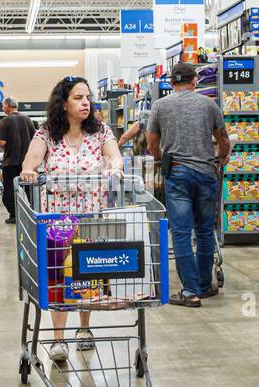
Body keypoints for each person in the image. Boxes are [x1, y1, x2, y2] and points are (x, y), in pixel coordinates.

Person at [18, 75, 124, 365]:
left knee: (85, 272)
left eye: (87, 97)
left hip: (91, 214)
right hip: (57, 219)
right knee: (56, 276)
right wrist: (29, 171)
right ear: (63, 104)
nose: (85, 102)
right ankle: (58, 338)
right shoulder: (46, 134)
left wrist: (115, 168)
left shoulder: (100, 132)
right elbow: (31, 160)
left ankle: (85, 329)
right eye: (78, 98)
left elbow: (115, 156)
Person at [145, 62, 230, 307]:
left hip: (178, 175)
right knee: (204, 231)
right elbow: (222, 139)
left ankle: (190, 291)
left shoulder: (160, 106)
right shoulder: (208, 104)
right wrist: (222, 157)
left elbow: (152, 143)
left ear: (172, 83)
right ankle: (204, 285)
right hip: (206, 173)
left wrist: (163, 158)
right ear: (195, 82)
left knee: (181, 232)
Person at [0, 96, 35, 225]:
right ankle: (35, 212)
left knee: (9, 190)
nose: (2, 108)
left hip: (11, 162)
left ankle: (13, 215)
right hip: (27, 163)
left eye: (3, 106)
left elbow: (2, 143)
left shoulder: (5, 121)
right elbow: (35, 139)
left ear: (8, 106)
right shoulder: (27, 119)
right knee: (30, 189)